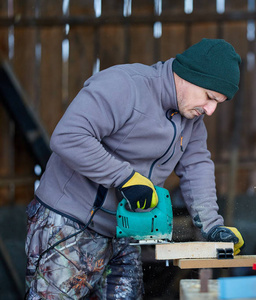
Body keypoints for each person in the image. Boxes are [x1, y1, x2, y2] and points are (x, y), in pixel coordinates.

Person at [25, 38, 244, 299]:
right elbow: (69, 136)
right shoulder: (124, 86)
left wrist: (211, 226)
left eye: (218, 102)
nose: (210, 110)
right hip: (69, 223)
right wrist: (125, 178)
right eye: (209, 97)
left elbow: (197, 166)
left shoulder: (191, 119)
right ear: (188, 76)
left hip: (125, 232)